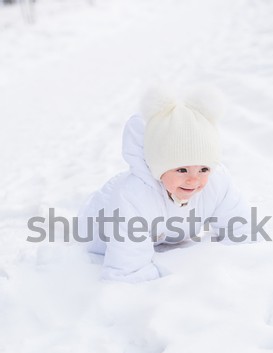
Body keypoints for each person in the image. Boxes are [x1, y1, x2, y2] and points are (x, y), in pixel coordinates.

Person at [78, 86, 256, 282]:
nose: (194, 179)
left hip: (165, 233)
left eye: (204, 169)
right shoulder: (133, 197)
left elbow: (242, 233)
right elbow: (126, 273)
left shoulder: (217, 182)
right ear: (158, 168)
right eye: (181, 170)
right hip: (100, 232)